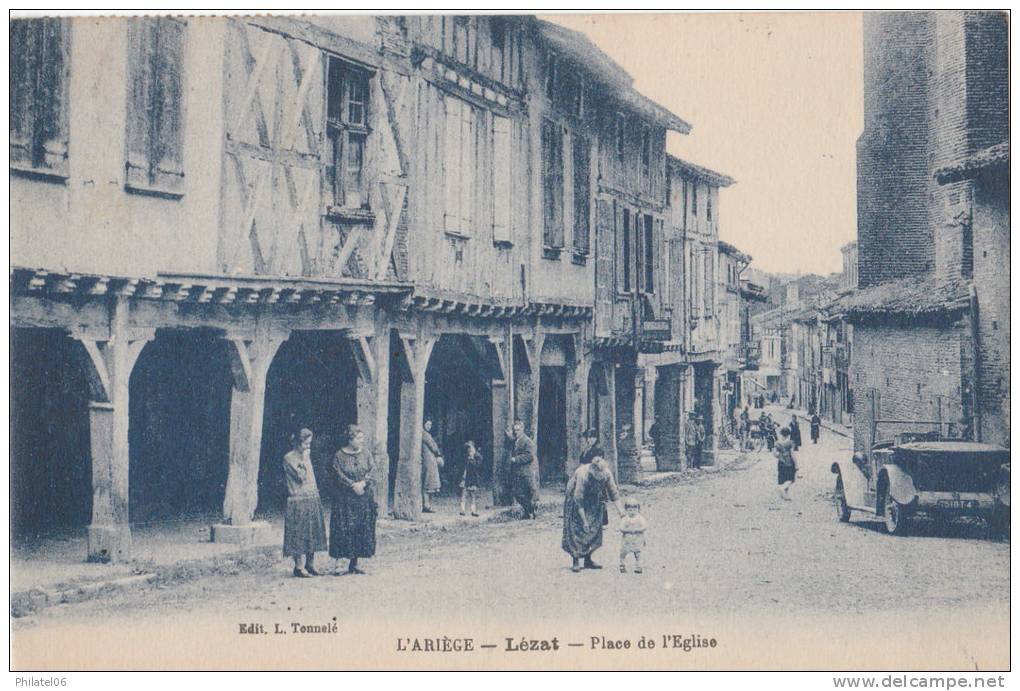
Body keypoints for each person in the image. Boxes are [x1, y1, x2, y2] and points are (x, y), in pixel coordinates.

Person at [562, 450, 624, 572]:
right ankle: (575, 559)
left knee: (594, 528)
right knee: (578, 528)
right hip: (576, 500)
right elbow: (578, 499)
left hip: (595, 499)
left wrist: (621, 512)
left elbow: (614, 494)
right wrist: (584, 520)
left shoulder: (606, 473)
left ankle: (588, 559)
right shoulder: (582, 474)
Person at [329, 425, 378, 575]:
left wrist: (363, 483)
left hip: (363, 497)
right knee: (343, 528)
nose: (361, 441)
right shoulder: (339, 455)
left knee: (360, 528)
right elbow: (337, 473)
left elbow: (373, 470)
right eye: (358, 438)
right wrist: (352, 485)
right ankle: (339, 563)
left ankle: (354, 562)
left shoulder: (366, 454)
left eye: (362, 438)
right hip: (345, 499)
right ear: (350, 439)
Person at [282, 428, 327, 578]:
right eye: (305, 444)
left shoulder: (307, 456)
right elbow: (300, 476)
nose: (308, 447)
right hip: (298, 498)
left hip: (312, 496)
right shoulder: (289, 458)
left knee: (312, 531)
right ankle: (299, 567)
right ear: (297, 443)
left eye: (309, 444)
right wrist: (303, 459)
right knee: (299, 533)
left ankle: (310, 564)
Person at [505, 421, 538, 519]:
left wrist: (516, 459)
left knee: (522, 493)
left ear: (522, 429)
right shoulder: (516, 439)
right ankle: (530, 510)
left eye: (518, 430)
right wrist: (509, 437)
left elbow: (530, 456)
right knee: (517, 493)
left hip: (525, 471)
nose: (516, 432)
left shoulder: (527, 441)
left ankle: (529, 510)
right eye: (515, 430)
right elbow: (513, 442)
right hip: (517, 472)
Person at [618, 499, 648, 574]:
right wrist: (627, 530)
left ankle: (638, 566)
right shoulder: (625, 519)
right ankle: (622, 564)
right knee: (623, 552)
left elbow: (645, 526)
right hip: (627, 540)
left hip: (637, 539)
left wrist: (638, 530)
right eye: (630, 509)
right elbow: (621, 528)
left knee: (638, 553)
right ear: (626, 510)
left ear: (638, 509)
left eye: (634, 509)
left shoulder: (640, 518)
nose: (632, 511)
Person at [421, 419, 444, 513]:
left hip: (430, 459)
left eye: (430, 424)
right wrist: (439, 454)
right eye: (427, 424)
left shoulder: (426, 434)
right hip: (428, 460)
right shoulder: (425, 434)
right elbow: (433, 446)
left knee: (429, 483)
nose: (429, 426)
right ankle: (426, 505)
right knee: (428, 483)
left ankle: (427, 504)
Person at [459, 440, 482, 517]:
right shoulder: (466, 456)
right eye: (468, 448)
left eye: (471, 448)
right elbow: (463, 466)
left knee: (473, 495)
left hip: (473, 478)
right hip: (466, 478)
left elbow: (477, 466)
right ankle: (462, 510)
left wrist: (472, 459)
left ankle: (473, 510)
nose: (469, 450)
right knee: (464, 494)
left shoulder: (477, 456)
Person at [775, 427, 797, 500]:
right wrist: (796, 464)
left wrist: (780, 455)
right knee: (790, 479)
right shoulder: (790, 443)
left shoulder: (778, 443)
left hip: (781, 463)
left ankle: (785, 495)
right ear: (788, 434)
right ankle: (782, 489)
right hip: (789, 463)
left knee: (782, 478)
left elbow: (775, 454)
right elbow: (792, 454)